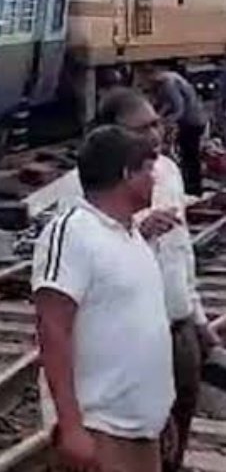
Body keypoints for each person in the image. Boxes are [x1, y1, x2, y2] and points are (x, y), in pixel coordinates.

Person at [52, 87, 219, 472]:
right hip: (126, 348)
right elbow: (62, 312)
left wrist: (197, 319)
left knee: (173, 440)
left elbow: (181, 255)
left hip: (177, 331)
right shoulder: (81, 193)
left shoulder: (168, 172)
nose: (155, 135)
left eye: (156, 124)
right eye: (142, 128)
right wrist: (138, 231)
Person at [33, 125, 174, 472]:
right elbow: (52, 329)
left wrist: (159, 411)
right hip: (100, 429)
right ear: (126, 173)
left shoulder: (131, 236)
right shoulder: (73, 231)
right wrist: (71, 427)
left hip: (141, 430)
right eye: (147, 169)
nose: (154, 179)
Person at [144, 66, 207, 196]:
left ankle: (193, 189)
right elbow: (167, 104)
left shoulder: (169, 83)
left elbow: (178, 109)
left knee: (190, 156)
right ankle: (192, 186)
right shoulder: (169, 80)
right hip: (194, 120)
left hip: (191, 122)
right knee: (189, 156)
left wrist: (162, 121)